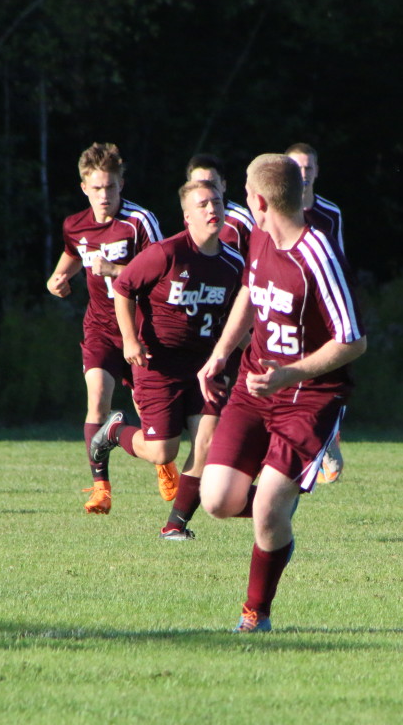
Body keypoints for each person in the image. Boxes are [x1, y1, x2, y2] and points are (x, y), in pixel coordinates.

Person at [197, 153, 366, 632]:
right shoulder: (259, 238)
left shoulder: (319, 255)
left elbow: (353, 340)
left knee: (267, 507)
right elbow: (250, 293)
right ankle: (277, 528)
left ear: (259, 201)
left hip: (311, 397)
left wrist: (289, 375)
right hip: (255, 386)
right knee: (217, 500)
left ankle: (256, 614)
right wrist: (221, 354)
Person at [89, 179, 245, 539]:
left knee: (208, 443)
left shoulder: (234, 263)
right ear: (187, 216)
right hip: (158, 364)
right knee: (162, 452)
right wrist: (130, 339)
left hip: (205, 366)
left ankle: (175, 526)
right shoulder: (166, 253)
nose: (212, 209)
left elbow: (239, 318)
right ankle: (113, 432)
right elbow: (124, 287)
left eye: (217, 202)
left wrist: (260, 353)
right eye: (203, 204)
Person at [46, 142, 164, 514]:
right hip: (100, 327)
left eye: (110, 187)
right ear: (84, 187)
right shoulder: (75, 225)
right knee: (97, 397)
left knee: (148, 412)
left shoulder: (139, 221)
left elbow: (163, 274)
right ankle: (101, 489)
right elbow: (74, 253)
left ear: (121, 184)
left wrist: (114, 270)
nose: (104, 195)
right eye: (96, 188)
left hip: (142, 329)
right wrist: (57, 278)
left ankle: (163, 462)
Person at [285, 142, 346, 483]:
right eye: (297, 167)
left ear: (317, 171)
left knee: (328, 372)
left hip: (321, 308)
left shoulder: (330, 213)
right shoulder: (276, 211)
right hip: (286, 308)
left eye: (308, 167)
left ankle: (328, 437)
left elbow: (339, 261)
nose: (303, 174)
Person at [186, 153, 257, 260]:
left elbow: (262, 259)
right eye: (198, 185)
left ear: (223, 186)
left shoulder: (240, 221)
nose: (206, 190)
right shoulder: (191, 217)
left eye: (212, 184)